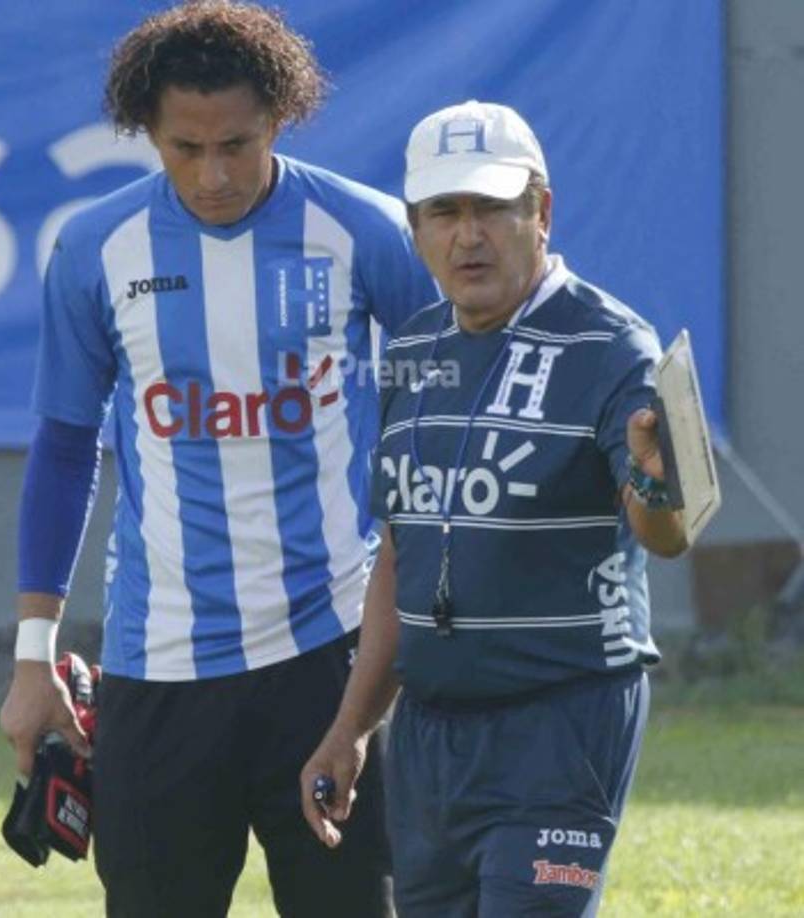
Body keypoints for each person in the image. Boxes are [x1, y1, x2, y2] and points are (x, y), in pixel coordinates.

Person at [0, 3, 436, 915]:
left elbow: (455, 383)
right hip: (154, 672)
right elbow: (66, 446)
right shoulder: (93, 248)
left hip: (332, 664)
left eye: (236, 144)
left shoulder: (366, 231)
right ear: (146, 133)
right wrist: (33, 658)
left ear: (279, 116)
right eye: (183, 148)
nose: (213, 174)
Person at [301, 99, 688, 917]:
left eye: (490, 208)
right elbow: (399, 559)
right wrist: (351, 728)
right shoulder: (409, 350)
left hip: (561, 720)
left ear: (539, 212)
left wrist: (655, 482)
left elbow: (664, 532)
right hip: (430, 735)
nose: (466, 235)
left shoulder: (613, 346)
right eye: (444, 211)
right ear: (414, 228)